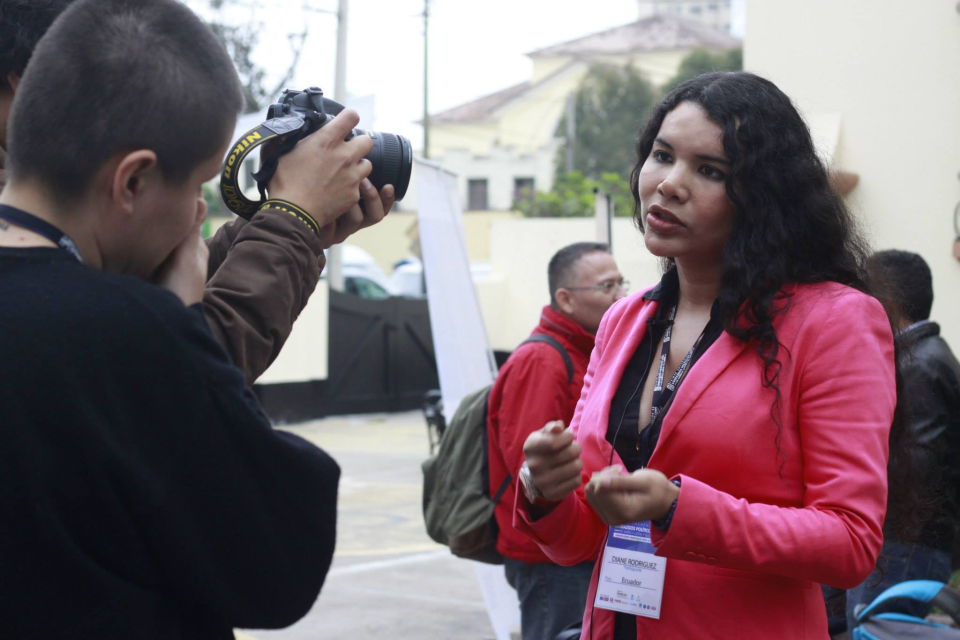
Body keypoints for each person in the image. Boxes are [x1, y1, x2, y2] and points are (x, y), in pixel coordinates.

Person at [0, 0, 386, 637]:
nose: (195, 219)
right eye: (197, 189)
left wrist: (289, 232)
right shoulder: (128, 332)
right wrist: (175, 318)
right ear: (132, 181)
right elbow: (274, 567)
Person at [513, 71, 903, 639]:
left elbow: (850, 542)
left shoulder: (834, 320)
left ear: (763, 197)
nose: (669, 184)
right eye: (662, 155)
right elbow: (579, 540)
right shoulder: (624, 320)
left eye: (710, 171)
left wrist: (676, 507)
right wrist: (547, 489)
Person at [0, 0, 395, 385]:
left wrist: (292, 218)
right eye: (195, 187)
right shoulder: (56, 312)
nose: (197, 213)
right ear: (30, 79)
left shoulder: (43, 238)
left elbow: (144, 278)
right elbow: (182, 381)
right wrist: (293, 218)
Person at [487, 242, 627, 640]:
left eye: (621, 282)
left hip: (578, 546)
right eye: (607, 286)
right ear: (565, 299)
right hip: (549, 556)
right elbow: (531, 472)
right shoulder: (542, 361)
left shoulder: (588, 351)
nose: (620, 294)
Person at [840, 249, 960, 628]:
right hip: (911, 542)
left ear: (887, 299)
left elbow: (914, 468)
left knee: (876, 631)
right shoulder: (925, 358)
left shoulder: (918, 365)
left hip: (904, 543)